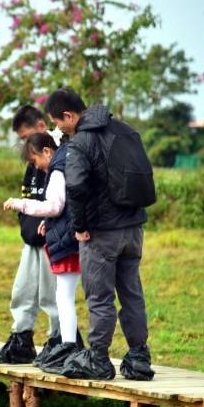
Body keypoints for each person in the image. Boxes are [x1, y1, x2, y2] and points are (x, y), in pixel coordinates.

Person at [44, 88, 155, 381]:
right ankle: (139, 358)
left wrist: (79, 227)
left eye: (58, 123)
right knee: (132, 293)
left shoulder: (81, 142)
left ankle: (98, 358)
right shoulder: (125, 130)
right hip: (133, 228)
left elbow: (77, 187)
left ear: (69, 116)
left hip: (102, 232)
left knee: (100, 297)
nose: (58, 129)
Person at [3, 132, 84, 373]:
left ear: (47, 151)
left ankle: (66, 346)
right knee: (62, 296)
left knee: (62, 297)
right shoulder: (62, 164)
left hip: (68, 244)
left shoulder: (59, 169)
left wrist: (20, 204)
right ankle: (65, 347)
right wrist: (49, 223)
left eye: (35, 160)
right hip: (61, 239)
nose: (35, 166)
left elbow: (56, 206)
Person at [0, 106, 61, 365]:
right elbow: (28, 194)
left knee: (51, 295)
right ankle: (21, 336)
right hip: (31, 237)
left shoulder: (59, 154)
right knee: (22, 288)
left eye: (26, 137)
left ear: (42, 126)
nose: (25, 146)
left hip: (52, 238)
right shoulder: (33, 159)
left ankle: (60, 339)